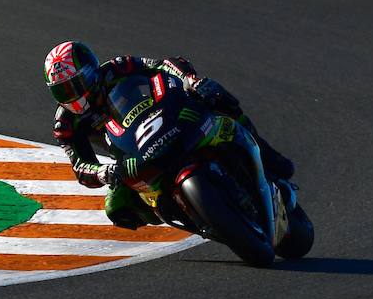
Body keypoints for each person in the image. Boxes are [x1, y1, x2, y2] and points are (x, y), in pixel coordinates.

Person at [43, 40, 294, 230]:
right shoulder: (65, 123)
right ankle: (189, 215)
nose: (71, 95)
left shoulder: (117, 68)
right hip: (130, 158)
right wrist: (102, 172)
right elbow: (79, 165)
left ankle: (268, 157)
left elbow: (161, 65)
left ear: (90, 72)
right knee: (117, 209)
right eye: (61, 91)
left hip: (165, 118)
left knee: (217, 98)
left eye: (74, 85)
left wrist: (191, 81)